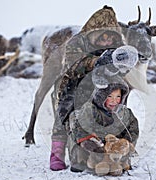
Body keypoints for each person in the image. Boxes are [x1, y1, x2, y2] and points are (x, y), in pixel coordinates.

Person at [49, 6, 133, 171]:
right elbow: (72, 65)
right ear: (93, 33)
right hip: (73, 86)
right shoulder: (77, 42)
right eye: (103, 36)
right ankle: (57, 153)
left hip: (103, 88)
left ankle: (112, 151)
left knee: (112, 115)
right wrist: (95, 62)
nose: (107, 41)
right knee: (65, 114)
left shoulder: (118, 47)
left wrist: (116, 65)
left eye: (111, 37)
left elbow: (125, 65)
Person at [67, 75, 139, 173]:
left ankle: (116, 163)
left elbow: (132, 129)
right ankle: (85, 160)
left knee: (118, 156)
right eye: (110, 96)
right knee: (87, 152)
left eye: (118, 96)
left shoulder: (124, 113)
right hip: (94, 145)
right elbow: (82, 127)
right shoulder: (90, 110)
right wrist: (91, 141)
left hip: (114, 148)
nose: (114, 100)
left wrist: (124, 143)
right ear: (101, 96)